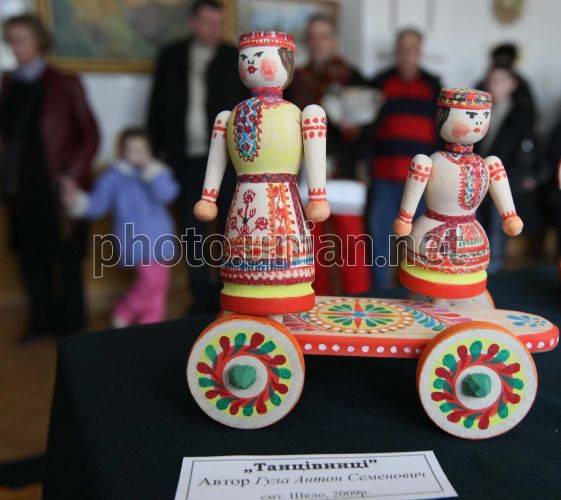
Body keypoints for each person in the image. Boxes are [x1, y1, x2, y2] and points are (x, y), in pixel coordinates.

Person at [0, 14, 99, 340]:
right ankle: (39, 323)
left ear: (39, 41)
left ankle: (71, 327)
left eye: (21, 39)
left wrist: (72, 175)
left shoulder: (64, 83)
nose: (15, 46)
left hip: (58, 187)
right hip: (21, 187)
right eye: (11, 39)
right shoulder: (9, 83)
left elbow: (90, 134)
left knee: (67, 257)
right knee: (30, 258)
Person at [148, 0, 246, 314]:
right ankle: (200, 297)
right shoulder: (171, 57)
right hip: (186, 158)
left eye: (218, 22)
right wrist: (154, 151)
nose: (213, 28)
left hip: (229, 160)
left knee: (231, 226)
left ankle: (230, 291)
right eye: (207, 21)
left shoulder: (234, 57)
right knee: (193, 230)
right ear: (193, 23)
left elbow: (246, 109)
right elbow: (157, 106)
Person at [286, 13, 371, 296]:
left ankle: (359, 301)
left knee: (351, 244)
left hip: (346, 171)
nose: (318, 42)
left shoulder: (353, 77)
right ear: (307, 42)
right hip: (309, 170)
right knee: (312, 244)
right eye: (313, 37)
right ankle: (315, 300)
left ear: (333, 40)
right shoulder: (295, 81)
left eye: (324, 36)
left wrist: (353, 128)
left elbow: (369, 127)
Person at [62, 129, 180, 327]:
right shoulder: (113, 178)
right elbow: (96, 204)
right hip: (135, 240)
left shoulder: (157, 173)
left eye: (141, 149)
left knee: (159, 286)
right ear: (122, 151)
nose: (137, 154)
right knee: (149, 280)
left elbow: (168, 194)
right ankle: (125, 309)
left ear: (150, 151)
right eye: (131, 149)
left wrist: (151, 173)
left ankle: (152, 325)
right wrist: (76, 201)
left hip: (161, 238)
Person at [367, 28, 441, 290]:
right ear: (396, 52)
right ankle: (380, 293)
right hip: (384, 176)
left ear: (419, 53)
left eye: (413, 49)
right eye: (403, 49)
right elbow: (368, 130)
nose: (407, 54)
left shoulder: (433, 85)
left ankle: (416, 290)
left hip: (421, 182)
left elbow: (441, 132)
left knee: (419, 239)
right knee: (379, 237)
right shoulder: (379, 83)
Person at [476, 67, 537, 273]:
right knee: (476, 224)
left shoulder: (521, 113)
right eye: (492, 80)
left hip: (504, 180)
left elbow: (525, 150)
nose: (495, 85)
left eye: (501, 81)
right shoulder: (480, 110)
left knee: (498, 226)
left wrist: (517, 177)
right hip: (479, 177)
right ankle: (475, 266)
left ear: (512, 84)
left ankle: (493, 271)